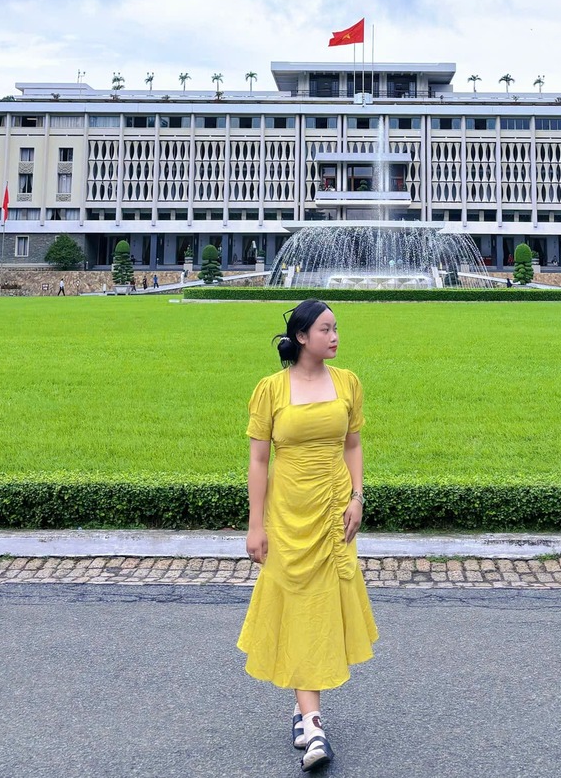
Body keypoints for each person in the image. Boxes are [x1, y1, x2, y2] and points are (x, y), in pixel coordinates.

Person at [238, 300, 377, 771]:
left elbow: (353, 445)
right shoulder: (271, 390)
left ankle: (309, 720)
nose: (335, 336)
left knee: (319, 608)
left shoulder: (348, 383)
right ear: (302, 337)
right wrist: (256, 526)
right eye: (325, 329)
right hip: (288, 512)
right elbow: (259, 462)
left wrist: (358, 497)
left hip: (335, 511)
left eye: (337, 328)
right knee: (298, 604)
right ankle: (310, 717)